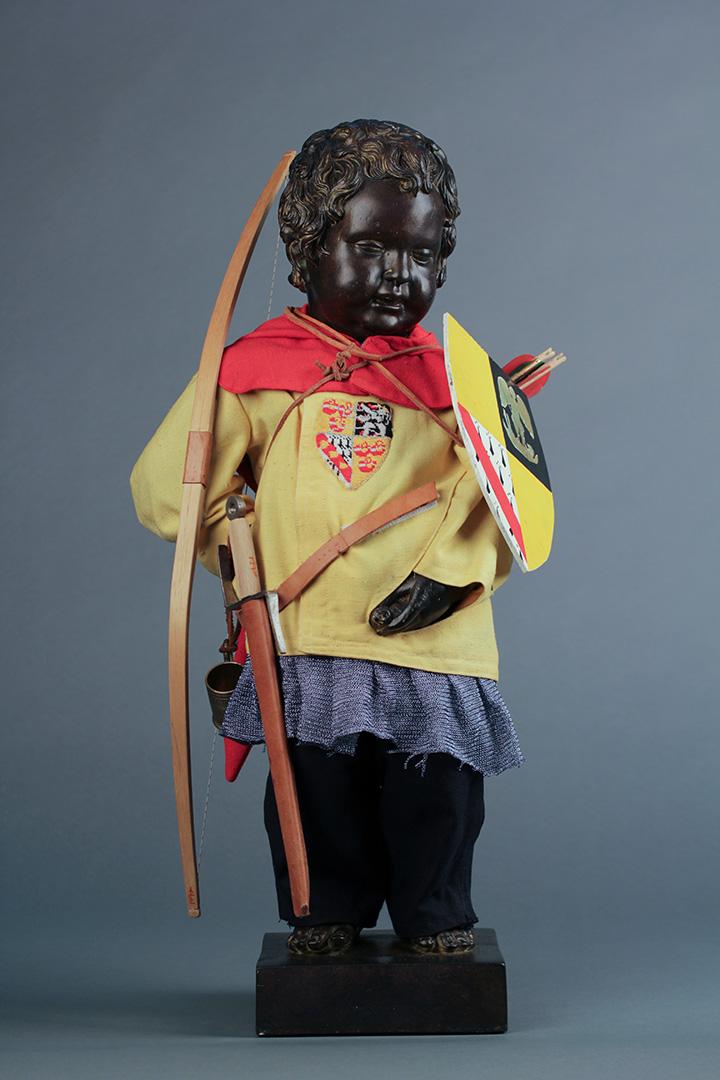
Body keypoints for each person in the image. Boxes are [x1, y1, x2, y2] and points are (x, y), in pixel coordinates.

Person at [131, 119, 523, 956]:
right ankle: (325, 913)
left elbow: (501, 502)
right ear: (308, 251)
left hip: (434, 638)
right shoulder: (253, 371)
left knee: (438, 791)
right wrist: (246, 556)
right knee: (317, 786)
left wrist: (453, 573)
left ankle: (435, 915)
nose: (398, 274)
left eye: (421, 254)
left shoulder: (459, 386)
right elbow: (169, 491)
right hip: (308, 632)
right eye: (370, 247)